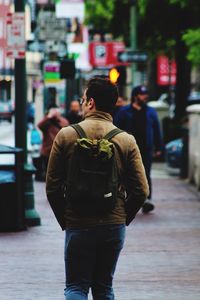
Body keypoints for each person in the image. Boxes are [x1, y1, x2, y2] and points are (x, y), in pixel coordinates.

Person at [46, 77, 149, 300]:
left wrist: (67, 219)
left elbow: (52, 187)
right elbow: (141, 190)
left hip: (78, 222)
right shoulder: (126, 140)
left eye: (83, 99)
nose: (83, 103)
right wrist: (123, 216)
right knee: (103, 288)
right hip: (113, 223)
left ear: (90, 102)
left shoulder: (66, 135)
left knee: (76, 287)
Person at [115, 85, 163, 213]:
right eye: (142, 94)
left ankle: (146, 199)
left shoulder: (151, 111)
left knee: (145, 173)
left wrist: (159, 147)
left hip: (146, 149)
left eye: (145, 94)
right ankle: (129, 199)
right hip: (128, 149)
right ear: (135, 96)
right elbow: (116, 129)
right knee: (128, 174)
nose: (145, 96)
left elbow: (157, 130)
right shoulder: (124, 111)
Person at [36, 106, 69, 181]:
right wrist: (49, 116)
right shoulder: (46, 122)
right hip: (47, 151)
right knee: (49, 171)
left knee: (59, 170)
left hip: (60, 150)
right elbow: (39, 126)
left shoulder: (63, 121)